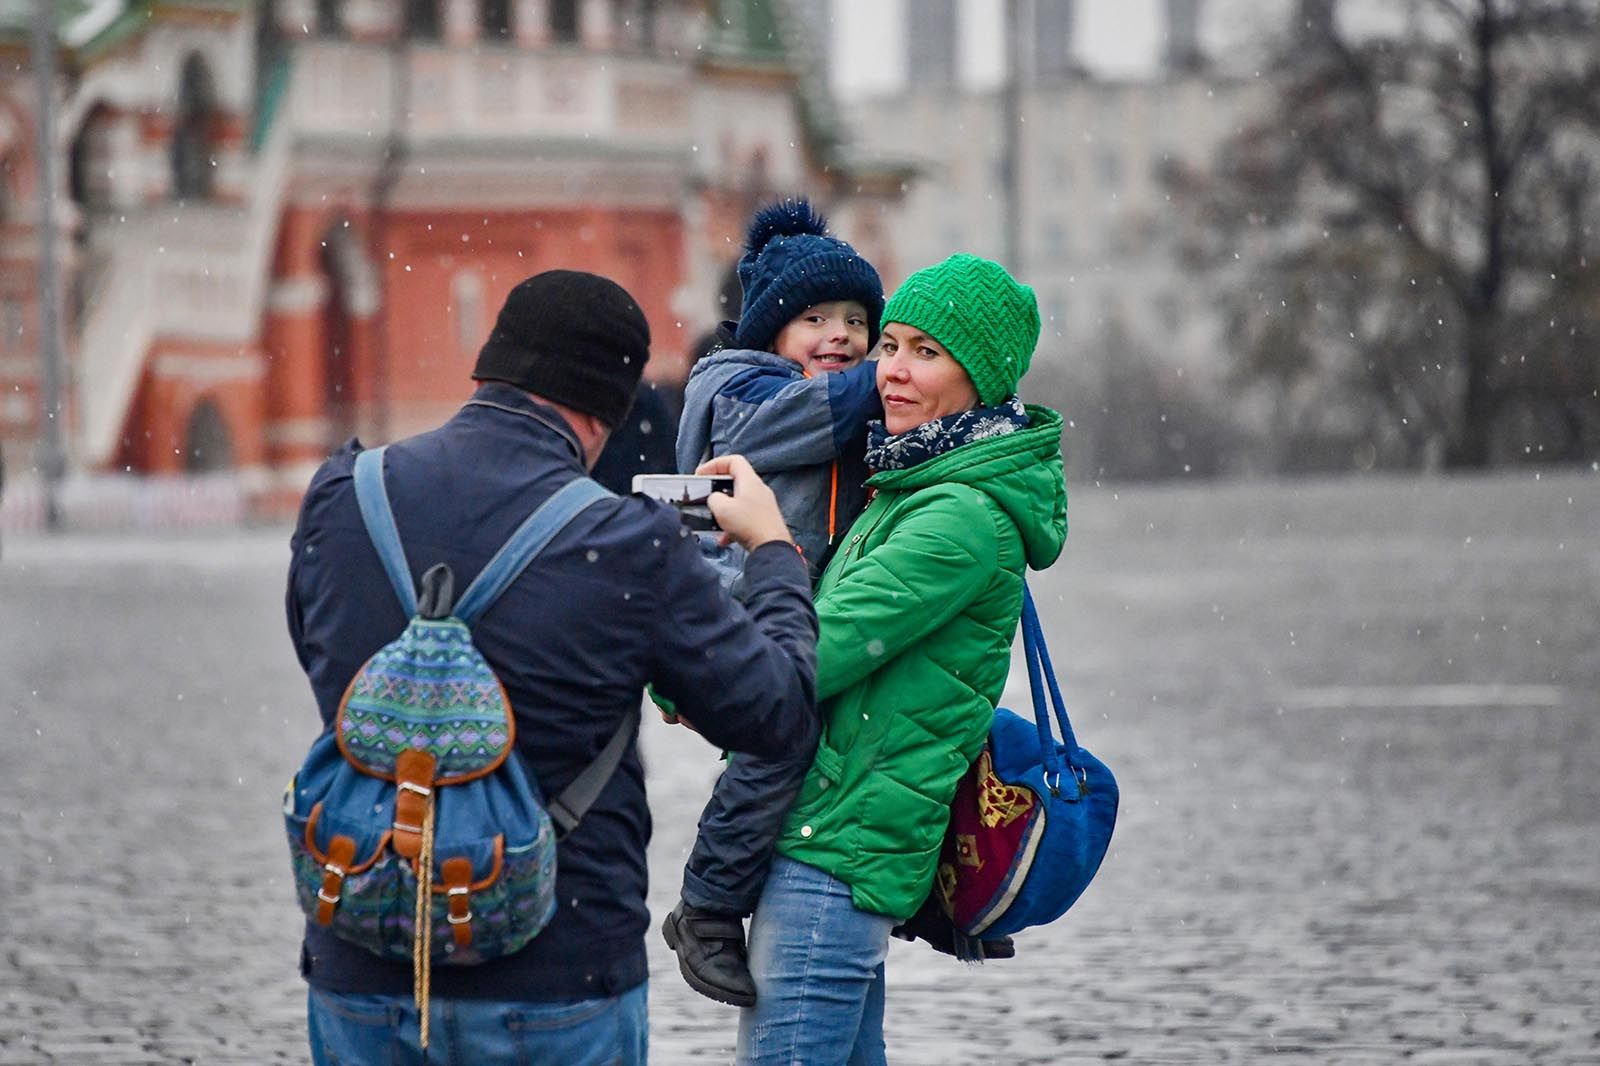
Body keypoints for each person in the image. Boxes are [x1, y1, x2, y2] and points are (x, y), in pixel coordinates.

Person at [285, 269, 820, 1066]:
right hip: (557, 973)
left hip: (364, 952)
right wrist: (772, 547)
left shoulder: (342, 495)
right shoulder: (632, 545)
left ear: (489, 366)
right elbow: (777, 710)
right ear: (610, 407)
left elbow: (325, 662)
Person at [733, 254, 1068, 1065]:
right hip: (843, 838)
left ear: (980, 376)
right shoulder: (914, 482)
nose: (892, 372)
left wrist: (765, 538)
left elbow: (804, 655)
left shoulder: (956, 517)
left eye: (926, 352)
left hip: (837, 848)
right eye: (890, 346)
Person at [660, 198, 886, 1008]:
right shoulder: (743, 391)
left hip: (784, 607)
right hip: (740, 609)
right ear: (769, 330)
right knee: (778, 746)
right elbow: (813, 420)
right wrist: (890, 372)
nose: (842, 336)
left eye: (859, 321)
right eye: (816, 318)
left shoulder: (816, 397)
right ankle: (708, 911)